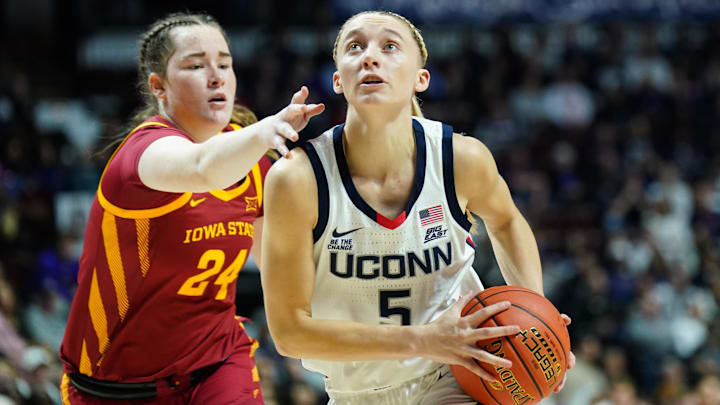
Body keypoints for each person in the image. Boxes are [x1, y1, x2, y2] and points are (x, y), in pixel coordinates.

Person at [261, 10, 573, 404]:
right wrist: (424, 340)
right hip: (355, 389)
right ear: (338, 80)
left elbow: (507, 221)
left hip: (457, 373)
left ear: (420, 78)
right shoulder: (297, 179)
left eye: (390, 46)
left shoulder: (461, 159)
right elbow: (289, 333)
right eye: (355, 47)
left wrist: (534, 322)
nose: (370, 57)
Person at [58, 12, 324, 405]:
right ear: (158, 87)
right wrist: (264, 131)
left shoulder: (255, 165)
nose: (216, 76)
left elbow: (282, 267)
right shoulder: (141, 155)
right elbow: (203, 169)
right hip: (111, 386)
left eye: (225, 63)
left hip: (216, 365)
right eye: (196, 65)